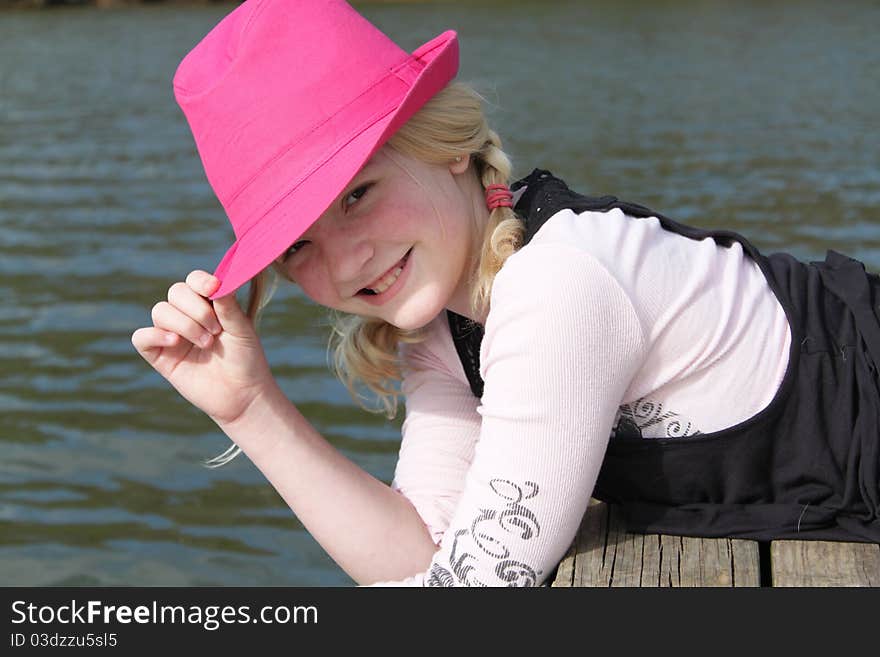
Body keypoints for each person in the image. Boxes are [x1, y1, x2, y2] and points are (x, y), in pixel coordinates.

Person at [131, 0, 880, 586]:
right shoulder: (449, 324)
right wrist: (252, 408)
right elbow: (419, 550)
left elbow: (477, 588)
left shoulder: (559, 282)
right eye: (297, 244)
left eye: (358, 194)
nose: (347, 257)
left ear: (448, 146)